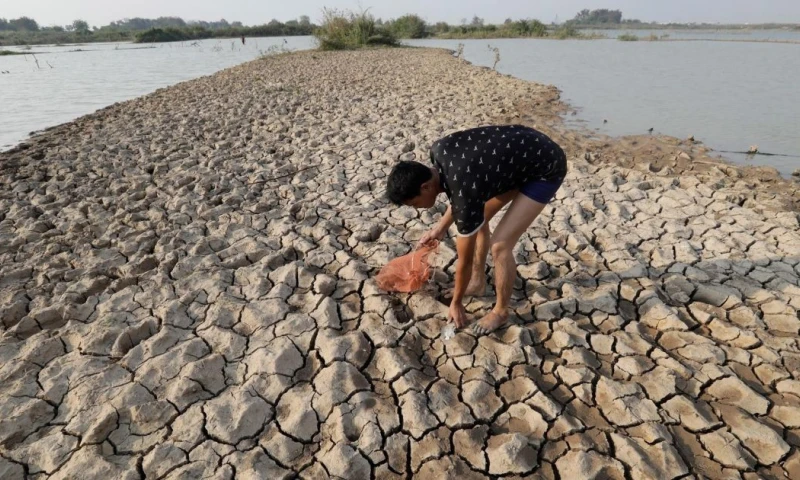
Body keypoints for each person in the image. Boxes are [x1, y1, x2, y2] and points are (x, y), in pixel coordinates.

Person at [385, 125, 567, 335]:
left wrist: (456, 302)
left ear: (426, 187)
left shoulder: (463, 191)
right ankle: (478, 283)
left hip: (545, 167)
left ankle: (500, 312)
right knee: (479, 215)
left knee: (500, 245)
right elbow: (466, 196)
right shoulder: (438, 151)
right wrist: (439, 228)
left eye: (414, 203)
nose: (416, 209)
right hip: (522, 152)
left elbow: (465, 260)